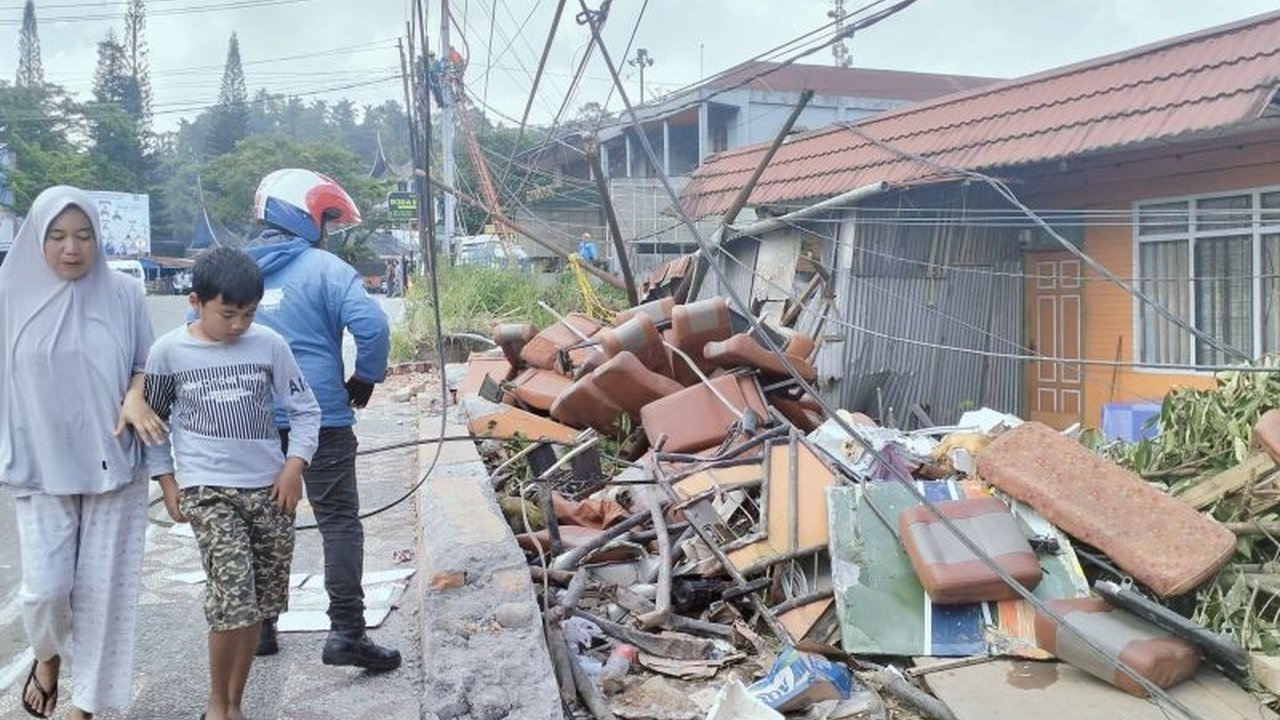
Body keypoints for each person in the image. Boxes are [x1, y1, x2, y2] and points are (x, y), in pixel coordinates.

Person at [0, 186, 169, 720]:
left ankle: (86, 706)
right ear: (36, 239)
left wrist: (137, 392)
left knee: (103, 599)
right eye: (57, 236)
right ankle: (46, 657)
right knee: (46, 590)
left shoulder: (122, 294)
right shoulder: (8, 294)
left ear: (99, 238)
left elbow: (148, 364)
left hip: (114, 463)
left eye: (84, 236)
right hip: (39, 465)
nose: (71, 249)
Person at [147, 247, 321, 720]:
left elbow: (306, 411)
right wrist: (167, 482)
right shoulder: (168, 353)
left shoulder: (268, 345)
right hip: (208, 490)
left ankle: (234, 702)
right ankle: (216, 704)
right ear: (196, 302)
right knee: (233, 597)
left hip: (269, 490)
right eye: (228, 313)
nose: (239, 324)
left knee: (259, 607)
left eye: (248, 313)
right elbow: (152, 423)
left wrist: (293, 466)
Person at [243, 168, 399, 670]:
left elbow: (193, 334)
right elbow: (372, 324)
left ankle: (263, 628)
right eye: (324, 219)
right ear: (306, 215)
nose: (327, 230)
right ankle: (347, 633)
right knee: (337, 523)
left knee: (263, 522)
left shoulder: (230, 270)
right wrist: (365, 378)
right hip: (323, 416)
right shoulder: (325, 268)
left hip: (250, 422)